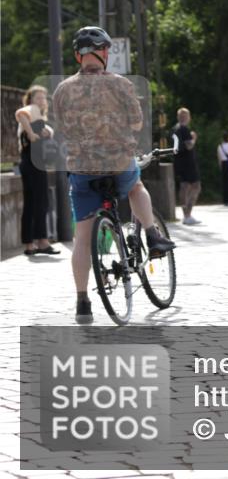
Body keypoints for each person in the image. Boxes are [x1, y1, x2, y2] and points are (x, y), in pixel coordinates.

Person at [52, 26, 175, 324]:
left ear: (77, 56)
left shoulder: (62, 89)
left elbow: (59, 130)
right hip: (118, 164)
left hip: (81, 170)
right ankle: (152, 234)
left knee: (82, 238)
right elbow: (136, 123)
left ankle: (82, 302)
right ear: (104, 52)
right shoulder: (120, 85)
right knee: (136, 188)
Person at [15, 85, 59, 256]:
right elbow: (20, 114)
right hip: (32, 163)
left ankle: (30, 244)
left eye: (43, 97)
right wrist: (32, 134)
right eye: (38, 97)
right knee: (39, 202)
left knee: (32, 203)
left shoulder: (39, 116)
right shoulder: (32, 110)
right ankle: (42, 242)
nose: (42, 101)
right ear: (31, 100)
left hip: (31, 162)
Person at [172, 108, 202, 225]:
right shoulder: (184, 129)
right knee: (196, 186)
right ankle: (187, 215)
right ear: (186, 117)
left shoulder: (175, 128)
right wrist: (194, 138)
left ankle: (186, 214)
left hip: (179, 161)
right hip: (188, 163)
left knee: (184, 186)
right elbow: (189, 146)